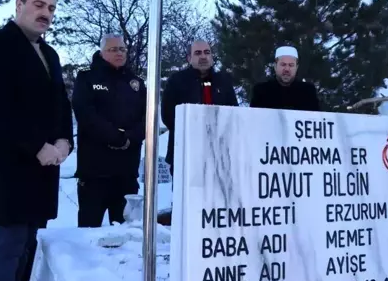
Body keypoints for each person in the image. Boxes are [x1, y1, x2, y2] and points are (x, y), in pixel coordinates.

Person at [0, 0, 74, 281]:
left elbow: (61, 101)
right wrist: (37, 146)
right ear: (19, 5)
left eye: (51, 8)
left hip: (43, 168)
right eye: (39, 5)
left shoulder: (50, 53)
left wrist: (64, 140)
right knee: (8, 245)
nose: (46, 13)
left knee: (28, 243)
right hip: (10, 164)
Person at [71, 34, 147, 227]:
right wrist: (116, 137)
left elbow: (147, 118)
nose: (119, 53)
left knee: (127, 232)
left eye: (122, 49)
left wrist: (130, 137)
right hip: (95, 171)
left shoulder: (136, 83)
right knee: (89, 230)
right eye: (113, 49)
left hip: (126, 172)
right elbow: (86, 114)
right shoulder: (87, 78)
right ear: (102, 52)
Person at [161, 39, 238, 175]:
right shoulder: (177, 81)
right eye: (197, 53)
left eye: (207, 52)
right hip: (185, 152)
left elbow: (234, 114)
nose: (203, 56)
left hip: (219, 154)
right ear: (189, 58)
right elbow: (168, 116)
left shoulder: (223, 81)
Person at [250, 45, 321, 111]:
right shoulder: (261, 91)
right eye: (283, 64)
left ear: (296, 68)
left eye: (291, 65)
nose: (287, 69)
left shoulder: (308, 91)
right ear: (275, 66)